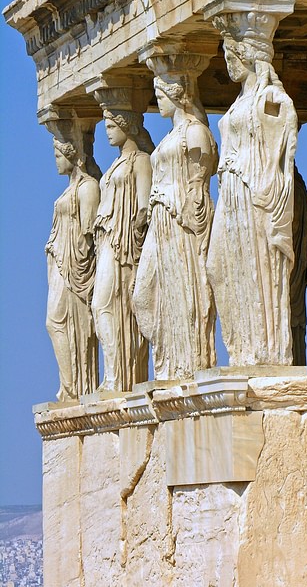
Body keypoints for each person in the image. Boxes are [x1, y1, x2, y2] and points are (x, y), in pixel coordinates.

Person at [207, 20, 298, 365]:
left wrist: (267, 188)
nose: (228, 60)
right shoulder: (240, 101)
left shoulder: (269, 98)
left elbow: (284, 145)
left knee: (253, 264)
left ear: (250, 56)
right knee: (218, 267)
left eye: (233, 54)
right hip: (230, 192)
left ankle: (263, 351)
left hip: (251, 192)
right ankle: (243, 349)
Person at [133, 75, 217, 380]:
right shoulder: (171, 137)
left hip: (179, 218)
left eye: (161, 94)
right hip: (161, 219)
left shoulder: (195, 132)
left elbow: (199, 183)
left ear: (177, 94)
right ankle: (168, 359)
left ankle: (188, 363)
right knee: (143, 295)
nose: (158, 101)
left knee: (183, 287)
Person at [92, 109, 154, 391]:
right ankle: (113, 375)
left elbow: (143, 206)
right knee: (103, 308)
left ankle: (118, 377)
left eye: (111, 124)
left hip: (123, 245)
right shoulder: (115, 164)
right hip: (106, 240)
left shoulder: (140, 161)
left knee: (104, 305)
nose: (107, 131)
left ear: (126, 125)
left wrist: (136, 239)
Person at [46, 137, 100, 400]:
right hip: (59, 262)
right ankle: (69, 387)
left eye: (58, 155)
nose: (55, 161)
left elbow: (90, 235)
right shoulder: (70, 189)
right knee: (55, 323)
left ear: (71, 155)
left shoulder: (88, 188)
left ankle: (74, 388)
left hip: (74, 266)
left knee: (57, 322)